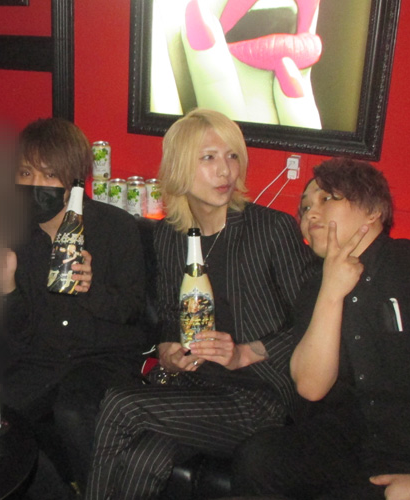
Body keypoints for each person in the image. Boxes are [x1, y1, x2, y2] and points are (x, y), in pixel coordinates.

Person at [85, 108, 319, 499]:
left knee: (121, 403)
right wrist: (167, 349)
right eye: (208, 158)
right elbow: (167, 317)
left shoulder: (271, 229)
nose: (225, 170)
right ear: (179, 167)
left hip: (258, 394)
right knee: (144, 458)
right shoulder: (169, 235)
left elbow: (314, 325)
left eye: (232, 156)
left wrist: (246, 352)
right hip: (195, 384)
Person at [233, 158, 410, 499]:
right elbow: (311, 386)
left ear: (372, 210)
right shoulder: (314, 285)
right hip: (349, 445)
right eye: (304, 207)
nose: (310, 213)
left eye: (327, 198)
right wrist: (331, 291)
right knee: (259, 459)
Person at [1, 117, 149, 494]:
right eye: (25, 172)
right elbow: (17, 335)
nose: (35, 185)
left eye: (49, 175)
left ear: (72, 181)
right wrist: (6, 290)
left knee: (73, 411)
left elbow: (133, 310)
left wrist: (91, 288)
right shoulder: (10, 234)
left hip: (103, 357)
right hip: (42, 356)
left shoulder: (116, 227)